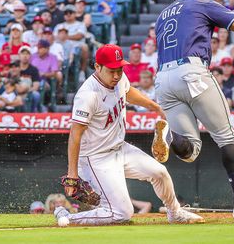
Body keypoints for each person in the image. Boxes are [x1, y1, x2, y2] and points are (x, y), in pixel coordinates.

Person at [153, 0, 234, 222]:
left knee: (190, 151)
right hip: (191, 71)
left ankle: (169, 135)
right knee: (226, 137)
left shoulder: (162, 15)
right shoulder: (201, 3)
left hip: (162, 79)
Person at [55, 44, 204, 225]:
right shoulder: (88, 95)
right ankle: (67, 217)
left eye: (119, 69)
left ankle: (175, 212)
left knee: (160, 173)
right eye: (112, 71)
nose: (117, 75)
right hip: (96, 158)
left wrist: (154, 106)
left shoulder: (118, 78)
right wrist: (73, 175)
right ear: (97, 67)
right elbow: (75, 135)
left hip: (120, 149)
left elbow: (128, 91)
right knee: (122, 213)